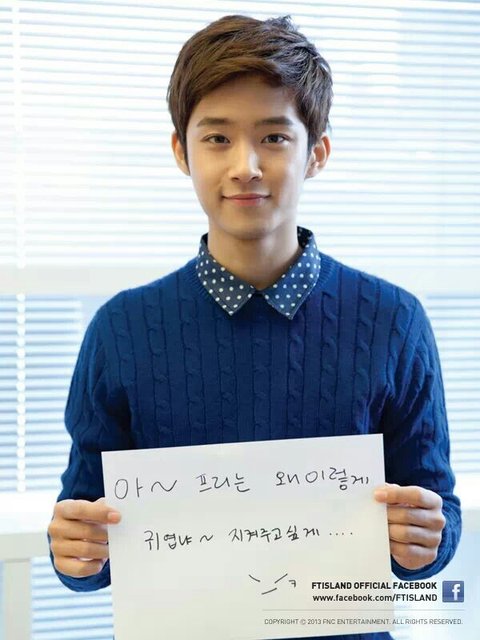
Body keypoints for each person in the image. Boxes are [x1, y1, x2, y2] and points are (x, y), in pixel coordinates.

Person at [47, 13, 461, 640]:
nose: (245, 165)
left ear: (316, 153)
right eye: (217, 138)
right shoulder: (121, 329)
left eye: (273, 137)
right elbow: (85, 531)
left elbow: (435, 511)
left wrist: (426, 539)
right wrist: (74, 553)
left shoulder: (393, 320)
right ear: (181, 151)